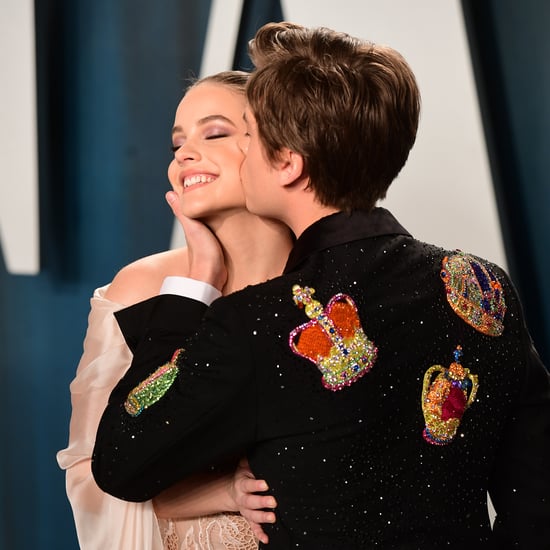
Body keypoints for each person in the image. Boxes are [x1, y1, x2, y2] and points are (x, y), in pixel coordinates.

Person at [92, 22, 550, 549]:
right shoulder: (482, 286)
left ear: (286, 162)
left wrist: (192, 289)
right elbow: (535, 499)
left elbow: (122, 460)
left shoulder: (258, 320)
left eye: (251, 140)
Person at [57, 70, 291, 549]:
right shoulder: (138, 288)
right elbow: (92, 472)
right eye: (176, 142)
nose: (184, 154)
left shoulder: (334, 286)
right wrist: (220, 493)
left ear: (281, 150)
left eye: (216, 132)